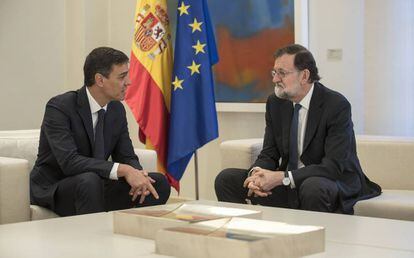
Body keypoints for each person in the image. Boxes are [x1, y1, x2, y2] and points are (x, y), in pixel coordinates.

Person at [215, 44, 381, 214]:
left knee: (313, 187)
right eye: (274, 73)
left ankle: (314, 239)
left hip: (330, 181)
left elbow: (333, 166)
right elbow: (269, 153)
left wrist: (283, 178)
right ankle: (250, 237)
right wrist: (256, 175)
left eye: (282, 73)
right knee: (226, 179)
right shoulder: (276, 103)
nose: (275, 79)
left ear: (304, 75)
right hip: (290, 181)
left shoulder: (336, 105)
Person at [30, 47, 171, 216]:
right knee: (89, 181)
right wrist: (124, 170)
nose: (129, 82)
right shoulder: (60, 107)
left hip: (96, 184)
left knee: (159, 182)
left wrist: (137, 174)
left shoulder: (116, 110)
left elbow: (126, 156)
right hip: (58, 187)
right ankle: (94, 241)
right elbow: (70, 162)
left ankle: (130, 234)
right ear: (100, 80)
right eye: (121, 76)